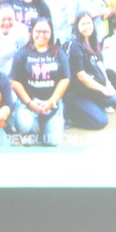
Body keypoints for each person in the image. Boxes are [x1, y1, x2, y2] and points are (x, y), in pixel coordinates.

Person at [10, 17, 70, 146]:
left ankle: (45, 124)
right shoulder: (22, 53)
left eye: (46, 31)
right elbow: (14, 80)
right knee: (25, 127)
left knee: (53, 142)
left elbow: (65, 78)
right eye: (38, 31)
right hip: (28, 104)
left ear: (51, 33)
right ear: (32, 32)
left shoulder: (59, 53)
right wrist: (30, 103)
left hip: (51, 104)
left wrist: (51, 101)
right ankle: (32, 128)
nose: (41, 35)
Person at [63, 13, 116, 131]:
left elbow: (100, 64)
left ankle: (90, 107)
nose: (87, 26)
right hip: (77, 93)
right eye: (83, 24)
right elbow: (82, 76)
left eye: (89, 23)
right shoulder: (75, 46)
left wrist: (108, 84)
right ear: (77, 26)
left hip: (90, 90)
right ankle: (70, 115)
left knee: (114, 98)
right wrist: (103, 89)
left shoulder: (93, 42)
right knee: (101, 122)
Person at [0, 4, 29, 76]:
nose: (7, 23)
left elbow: (25, 54)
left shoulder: (22, 30)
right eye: (3, 19)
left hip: (14, 72)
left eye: (10, 19)